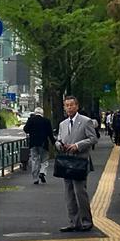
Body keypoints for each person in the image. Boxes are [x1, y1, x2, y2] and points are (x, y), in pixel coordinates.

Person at [54, 94, 98, 231]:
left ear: (77, 106)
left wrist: (78, 145)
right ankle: (73, 221)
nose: (69, 108)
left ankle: (86, 221)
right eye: (67, 105)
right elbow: (58, 140)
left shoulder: (86, 121)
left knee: (80, 192)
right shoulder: (63, 124)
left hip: (80, 161)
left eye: (72, 105)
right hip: (66, 162)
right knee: (69, 192)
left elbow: (93, 138)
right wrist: (59, 145)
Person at [21, 105, 54, 184]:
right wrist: (53, 142)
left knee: (35, 159)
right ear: (42, 113)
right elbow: (50, 133)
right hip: (43, 143)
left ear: (35, 113)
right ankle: (42, 172)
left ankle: (35, 178)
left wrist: (31, 132)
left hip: (33, 143)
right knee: (44, 159)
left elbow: (25, 129)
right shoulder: (46, 121)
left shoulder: (31, 120)